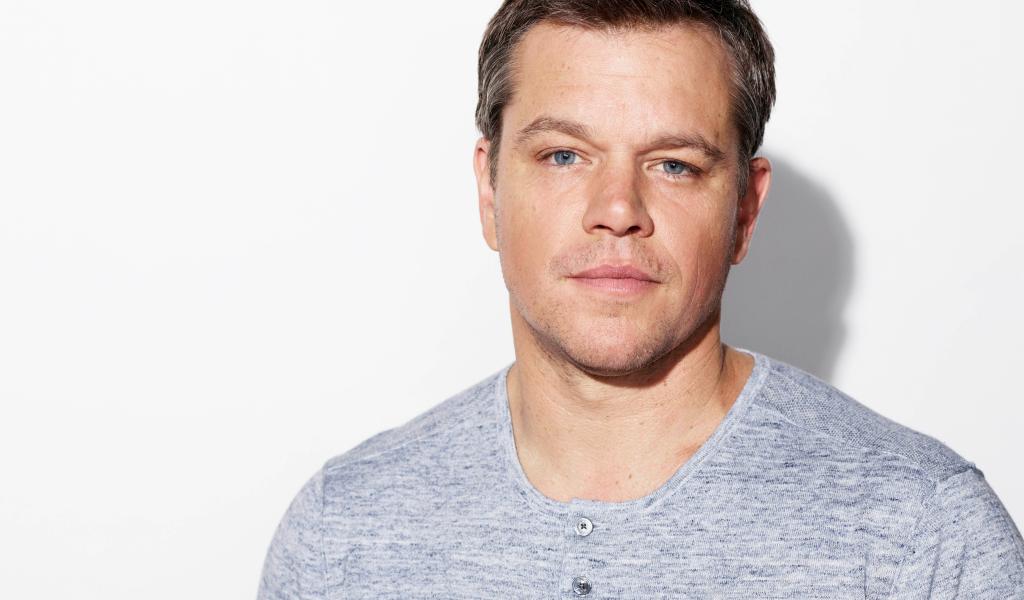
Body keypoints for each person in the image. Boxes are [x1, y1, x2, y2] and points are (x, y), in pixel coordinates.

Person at [257, 1, 1024, 597]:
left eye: (674, 165)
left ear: (745, 211)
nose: (618, 209)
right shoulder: (342, 534)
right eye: (564, 155)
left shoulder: (921, 536)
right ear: (489, 194)